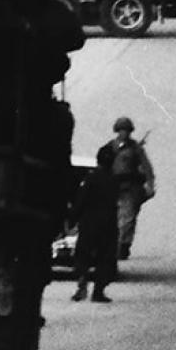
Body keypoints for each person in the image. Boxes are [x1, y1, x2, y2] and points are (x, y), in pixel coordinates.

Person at [98, 117, 155, 260]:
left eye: (127, 130)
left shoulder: (136, 148)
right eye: (122, 130)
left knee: (128, 219)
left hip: (131, 188)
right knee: (113, 218)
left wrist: (150, 184)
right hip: (113, 186)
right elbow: (102, 165)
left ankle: (123, 245)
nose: (125, 133)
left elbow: (146, 167)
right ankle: (114, 245)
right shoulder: (110, 147)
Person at [69, 156, 120, 302]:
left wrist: (73, 219)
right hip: (108, 224)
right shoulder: (114, 180)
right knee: (104, 257)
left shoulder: (91, 179)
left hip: (89, 223)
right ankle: (98, 291)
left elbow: (81, 200)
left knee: (83, 254)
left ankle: (82, 284)